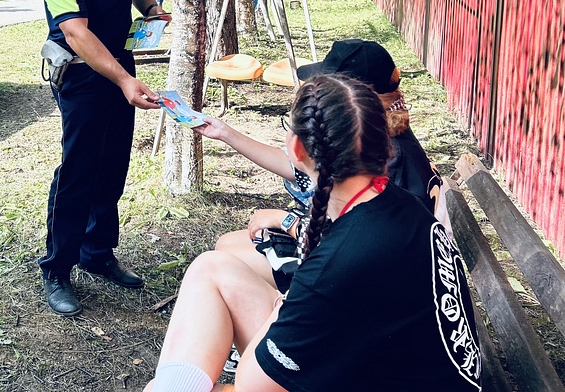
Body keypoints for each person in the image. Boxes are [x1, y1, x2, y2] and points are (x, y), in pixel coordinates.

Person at [145, 74, 481, 392]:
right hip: (396, 370)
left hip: (369, 371)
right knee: (211, 267)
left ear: (298, 149)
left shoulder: (337, 265)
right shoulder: (400, 206)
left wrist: (284, 307)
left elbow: (251, 386)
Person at [37, 0, 168, 317]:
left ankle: (97, 252)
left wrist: (150, 10)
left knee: (113, 163)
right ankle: (57, 267)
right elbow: (75, 30)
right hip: (81, 71)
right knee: (79, 168)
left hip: (120, 65)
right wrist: (124, 80)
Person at [212, 38, 445, 292]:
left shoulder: (387, 157)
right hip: (361, 259)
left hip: (373, 282)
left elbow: (360, 246)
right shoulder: (383, 138)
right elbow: (298, 165)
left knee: (221, 266)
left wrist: (288, 221)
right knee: (226, 246)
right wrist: (224, 133)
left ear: (353, 98)